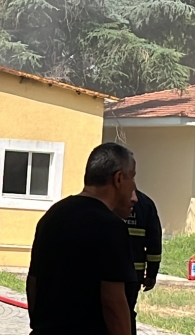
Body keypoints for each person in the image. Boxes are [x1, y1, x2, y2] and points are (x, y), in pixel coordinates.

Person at [27, 142, 138, 335]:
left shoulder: (52, 216)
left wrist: (40, 325)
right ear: (118, 179)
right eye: (133, 177)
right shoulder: (111, 227)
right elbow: (112, 302)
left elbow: (33, 283)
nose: (134, 188)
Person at [125, 189, 162, 335]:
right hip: (133, 274)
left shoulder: (106, 201)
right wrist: (151, 274)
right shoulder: (146, 204)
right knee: (127, 312)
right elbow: (154, 243)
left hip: (103, 275)